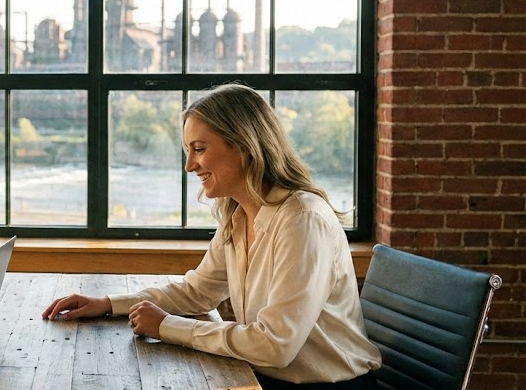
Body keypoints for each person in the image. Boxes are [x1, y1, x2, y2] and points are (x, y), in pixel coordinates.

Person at [42, 83, 381, 389]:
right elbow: (198, 292)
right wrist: (107, 304)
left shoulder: (302, 220)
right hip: (262, 377)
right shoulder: (237, 213)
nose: (190, 166)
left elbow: (275, 345)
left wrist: (166, 327)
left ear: (245, 146)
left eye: (200, 149)